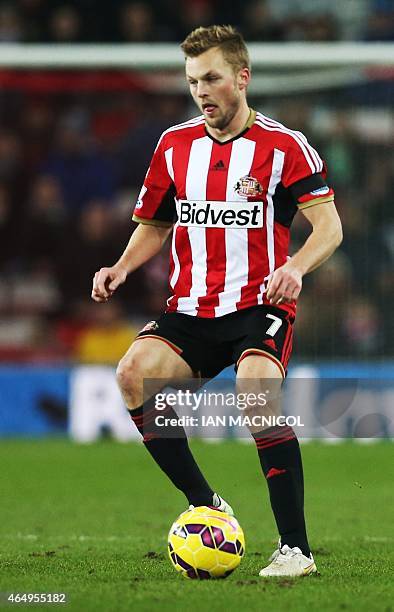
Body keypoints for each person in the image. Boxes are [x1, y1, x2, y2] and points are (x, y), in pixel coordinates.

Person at [92, 25, 342, 577]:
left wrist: (295, 268)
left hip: (260, 302)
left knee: (255, 392)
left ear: (241, 78)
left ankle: (295, 550)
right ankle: (206, 505)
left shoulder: (285, 146)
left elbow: (329, 228)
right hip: (193, 306)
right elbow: (154, 224)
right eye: (192, 81)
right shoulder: (173, 145)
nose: (201, 91)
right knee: (134, 374)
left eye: (211, 78)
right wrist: (121, 266)